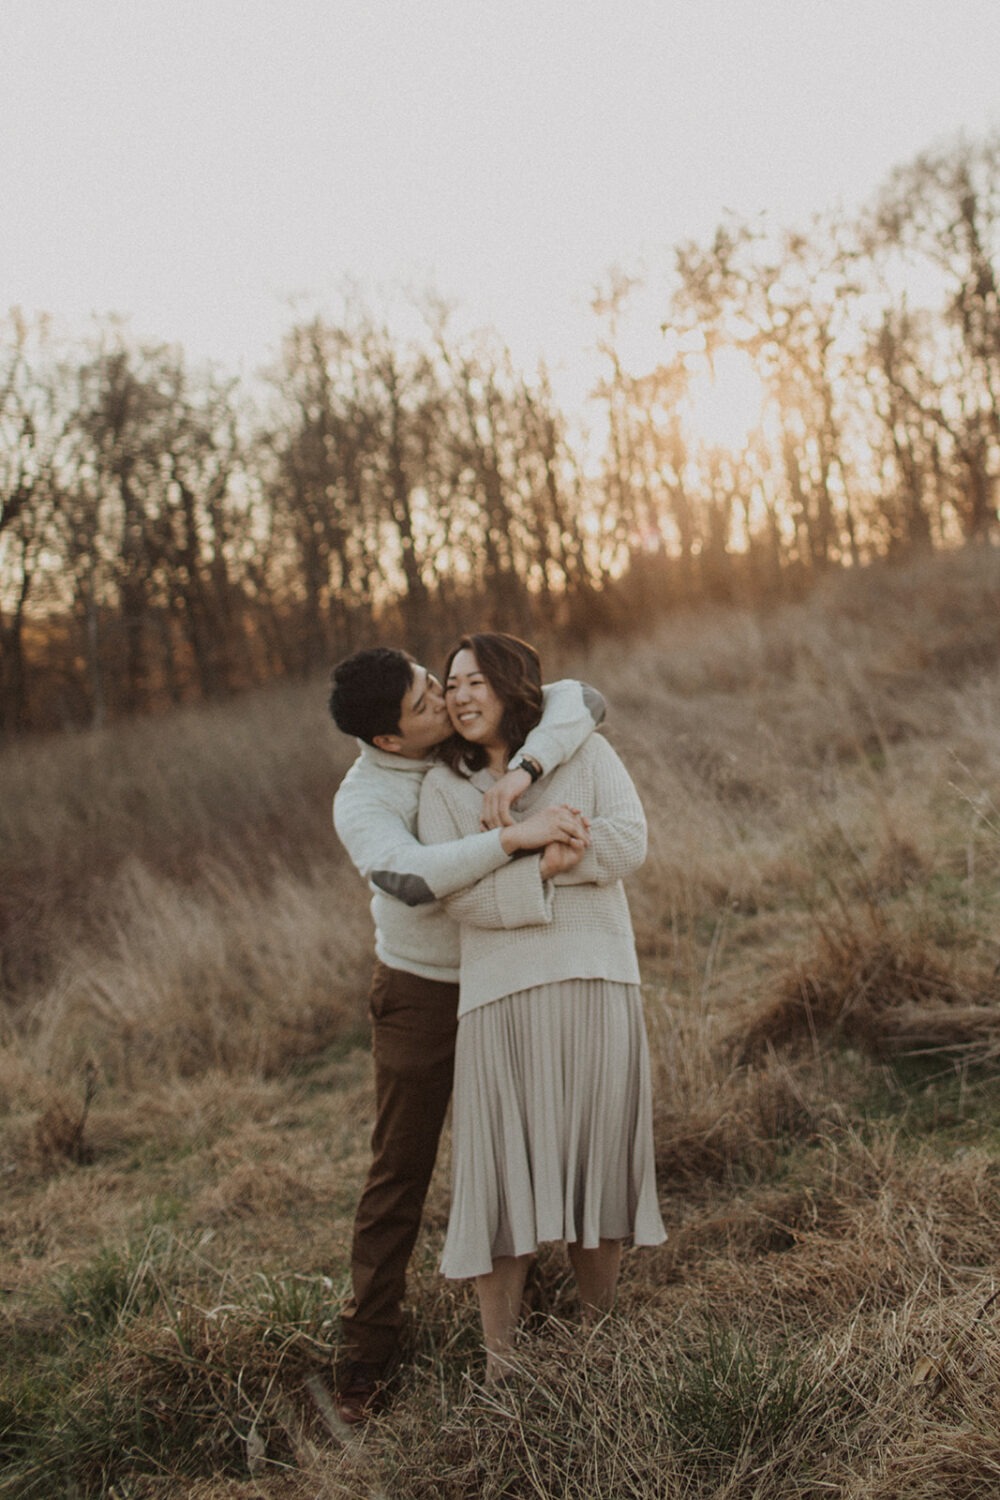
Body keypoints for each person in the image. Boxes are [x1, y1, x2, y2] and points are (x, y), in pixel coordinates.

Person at [328, 645, 605, 1423]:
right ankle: (366, 1357)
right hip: (425, 991)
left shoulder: (471, 726)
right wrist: (515, 839)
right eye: (425, 703)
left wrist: (521, 773)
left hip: (513, 967)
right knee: (400, 1173)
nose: (444, 701)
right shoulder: (363, 799)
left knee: (528, 1144)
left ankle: (546, 1300)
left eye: (434, 681)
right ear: (389, 740)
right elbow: (409, 879)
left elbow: (584, 695)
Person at [418, 633, 665, 1384]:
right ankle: (503, 1367)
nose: (459, 696)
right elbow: (456, 895)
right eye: (451, 684)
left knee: (597, 1161)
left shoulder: (581, 753)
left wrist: (564, 857)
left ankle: (599, 1340)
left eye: (475, 681)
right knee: (500, 1177)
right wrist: (544, 870)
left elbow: (628, 842)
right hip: (498, 1001)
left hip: (595, 979)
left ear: (512, 686)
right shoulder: (443, 788)